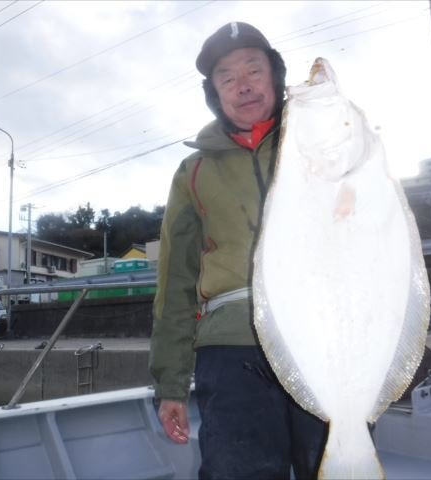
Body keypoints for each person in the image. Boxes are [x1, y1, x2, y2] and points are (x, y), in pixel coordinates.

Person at [149, 22, 328, 479]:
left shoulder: (324, 141)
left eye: (254, 70)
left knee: (336, 466)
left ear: (276, 76)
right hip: (232, 350)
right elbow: (176, 283)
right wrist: (171, 383)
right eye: (227, 78)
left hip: (326, 337)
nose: (243, 86)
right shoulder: (192, 171)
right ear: (215, 93)